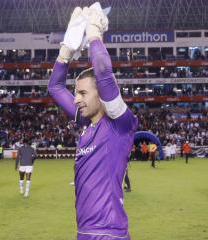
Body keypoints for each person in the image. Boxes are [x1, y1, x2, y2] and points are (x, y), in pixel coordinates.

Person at [48, 6, 137, 240]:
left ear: (101, 95)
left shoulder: (120, 126)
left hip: (109, 234)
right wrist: (66, 51)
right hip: (84, 233)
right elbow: (55, 88)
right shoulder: (86, 126)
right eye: (76, 93)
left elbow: (104, 72)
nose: (76, 99)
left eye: (83, 93)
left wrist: (94, 34)